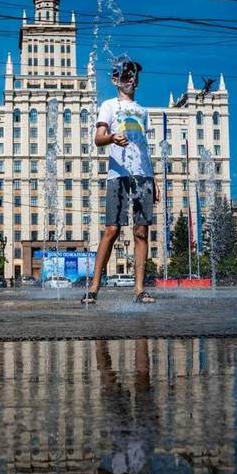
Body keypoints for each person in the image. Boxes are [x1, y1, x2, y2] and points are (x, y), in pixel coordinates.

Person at [81, 57, 159, 305]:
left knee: (141, 232)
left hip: (143, 176)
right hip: (118, 176)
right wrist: (113, 138)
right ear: (116, 80)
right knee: (112, 230)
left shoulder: (143, 112)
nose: (132, 80)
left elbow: (144, 147)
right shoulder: (108, 106)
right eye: (127, 76)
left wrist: (154, 179)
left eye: (135, 76)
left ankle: (139, 290)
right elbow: (98, 138)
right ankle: (93, 288)